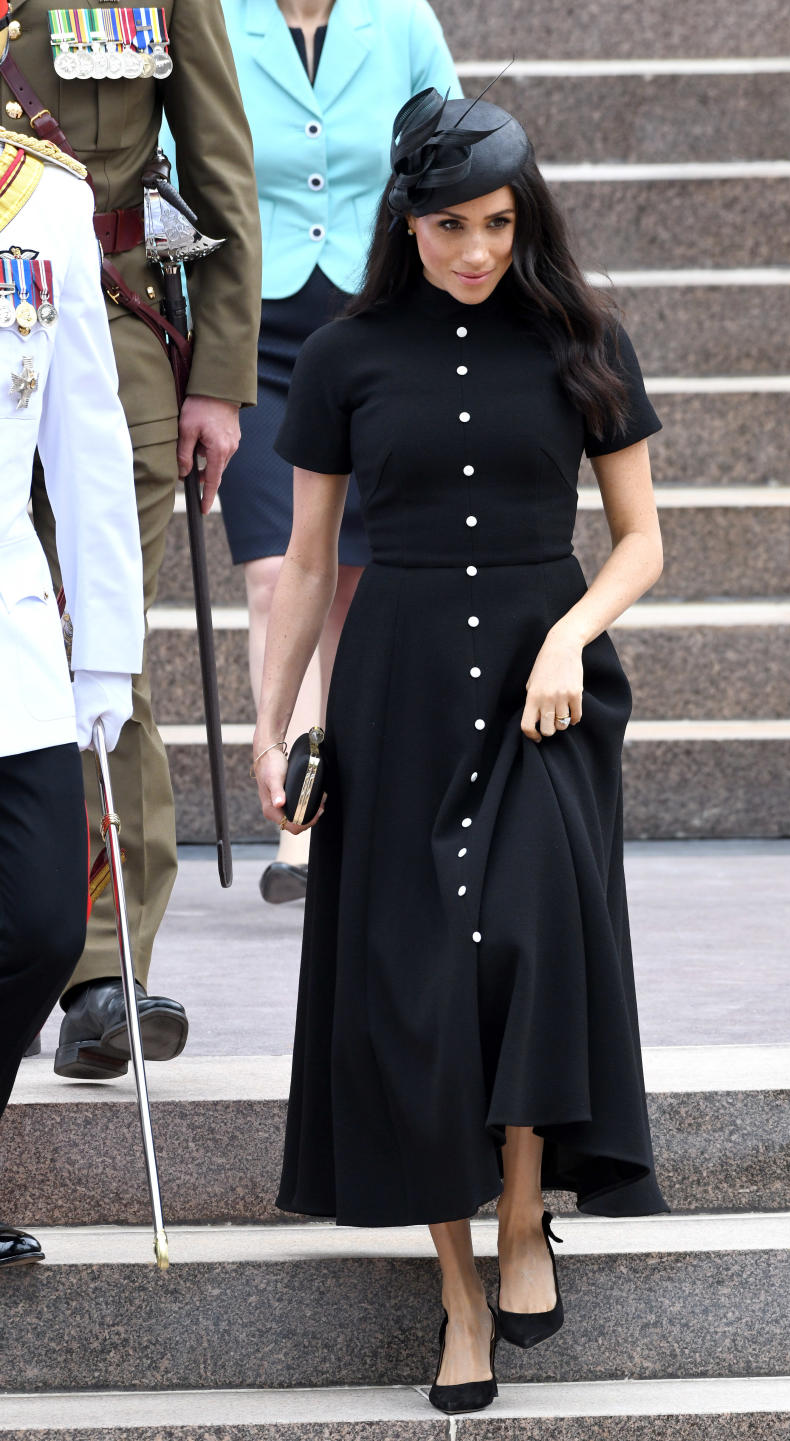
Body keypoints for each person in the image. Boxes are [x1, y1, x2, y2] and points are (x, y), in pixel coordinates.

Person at [252, 89, 668, 1414]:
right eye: (449, 227)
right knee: (418, 979)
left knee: (535, 933)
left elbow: (645, 541)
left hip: (549, 690)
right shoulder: (343, 356)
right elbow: (311, 562)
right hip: (401, 691)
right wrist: (276, 725)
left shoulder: (587, 340)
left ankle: (527, 1211)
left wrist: (572, 633)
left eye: (495, 222)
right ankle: (455, 1290)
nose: (476, 250)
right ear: (407, 225)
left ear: (522, 216)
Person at [0, 0, 261, 1078]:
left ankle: (104, 966)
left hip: (112, 321)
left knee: (106, 649)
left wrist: (222, 379)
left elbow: (217, 159)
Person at [218, 0, 460, 904]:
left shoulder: (398, 19)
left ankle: (363, 802)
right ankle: (299, 817)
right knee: (279, 572)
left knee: (355, 581)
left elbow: (456, 153)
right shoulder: (216, 17)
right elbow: (176, 157)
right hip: (253, 332)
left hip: (377, 325)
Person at [0, 108, 144, 1263]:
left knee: (46, 923)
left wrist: (107, 647)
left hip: (10, 628)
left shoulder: (41, 195)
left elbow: (87, 437)